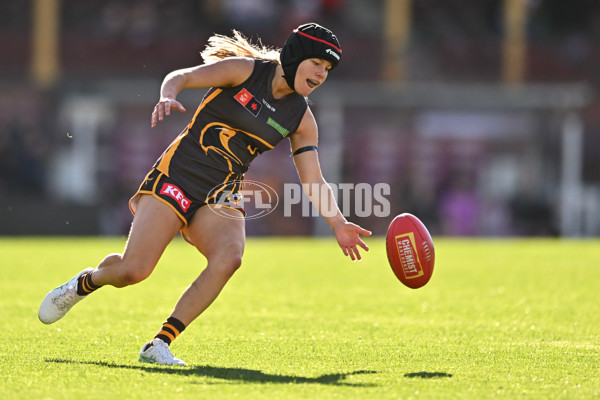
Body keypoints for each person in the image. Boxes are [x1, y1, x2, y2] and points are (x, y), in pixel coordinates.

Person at [38, 23, 371, 366]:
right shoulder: (245, 71)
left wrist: (338, 223)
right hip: (178, 176)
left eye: (327, 69)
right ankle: (84, 283)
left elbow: (313, 179)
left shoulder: (302, 119)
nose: (321, 73)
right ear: (295, 55)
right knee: (132, 272)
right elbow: (181, 76)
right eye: (316, 62)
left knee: (230, 258)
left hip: (223, 192)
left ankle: (159, 344)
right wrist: (168, 95)